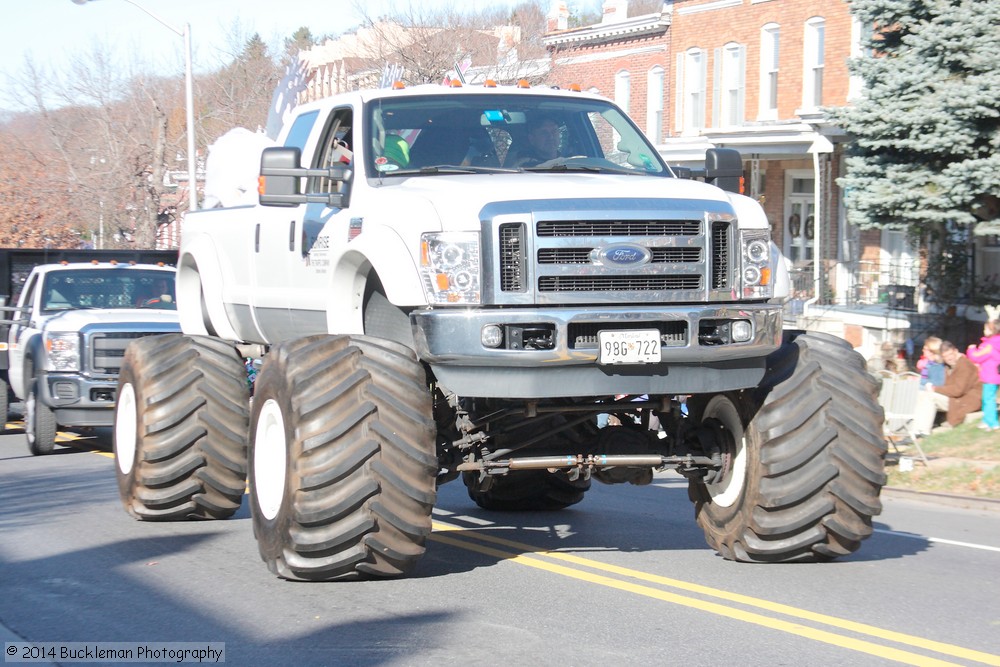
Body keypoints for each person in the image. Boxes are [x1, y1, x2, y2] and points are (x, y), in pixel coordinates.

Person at [914, 340, 983, 434]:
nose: (949, 358)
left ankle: (922, 431)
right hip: (956, 398)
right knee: (923, 394)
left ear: (955, 351)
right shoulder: (949, 366)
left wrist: (935, 389)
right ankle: (916, 430)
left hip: (966, 400)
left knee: (929, 396)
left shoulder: (964, 365)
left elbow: (958, 390)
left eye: (950, 354)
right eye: (945, 356)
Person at [965, 317, 1000, 431]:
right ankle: (986, 420)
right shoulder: (996, 343)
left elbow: (976, 357)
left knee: (988, 400)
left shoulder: (989, 346)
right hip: (994, 376)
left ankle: (992, 423)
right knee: (987, 399)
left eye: (986, 329)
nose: (984, 331)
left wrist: (971, 349)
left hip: (990, 377)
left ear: (992, 331)